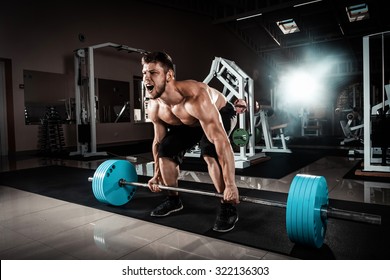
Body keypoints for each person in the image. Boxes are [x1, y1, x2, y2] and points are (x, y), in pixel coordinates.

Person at [142, 51, 240, 232]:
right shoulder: (155, 106)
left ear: (169, 75)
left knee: (210, 154)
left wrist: (231, 184)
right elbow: (158, 141)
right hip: (189, 122)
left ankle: (228, 206)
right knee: (165, 150)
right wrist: (156, 175)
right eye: (144, 73)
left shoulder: (196, 97)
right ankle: (173, 199)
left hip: (222, 112)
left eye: (153, 72)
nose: (147, 78)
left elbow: (221, 142)